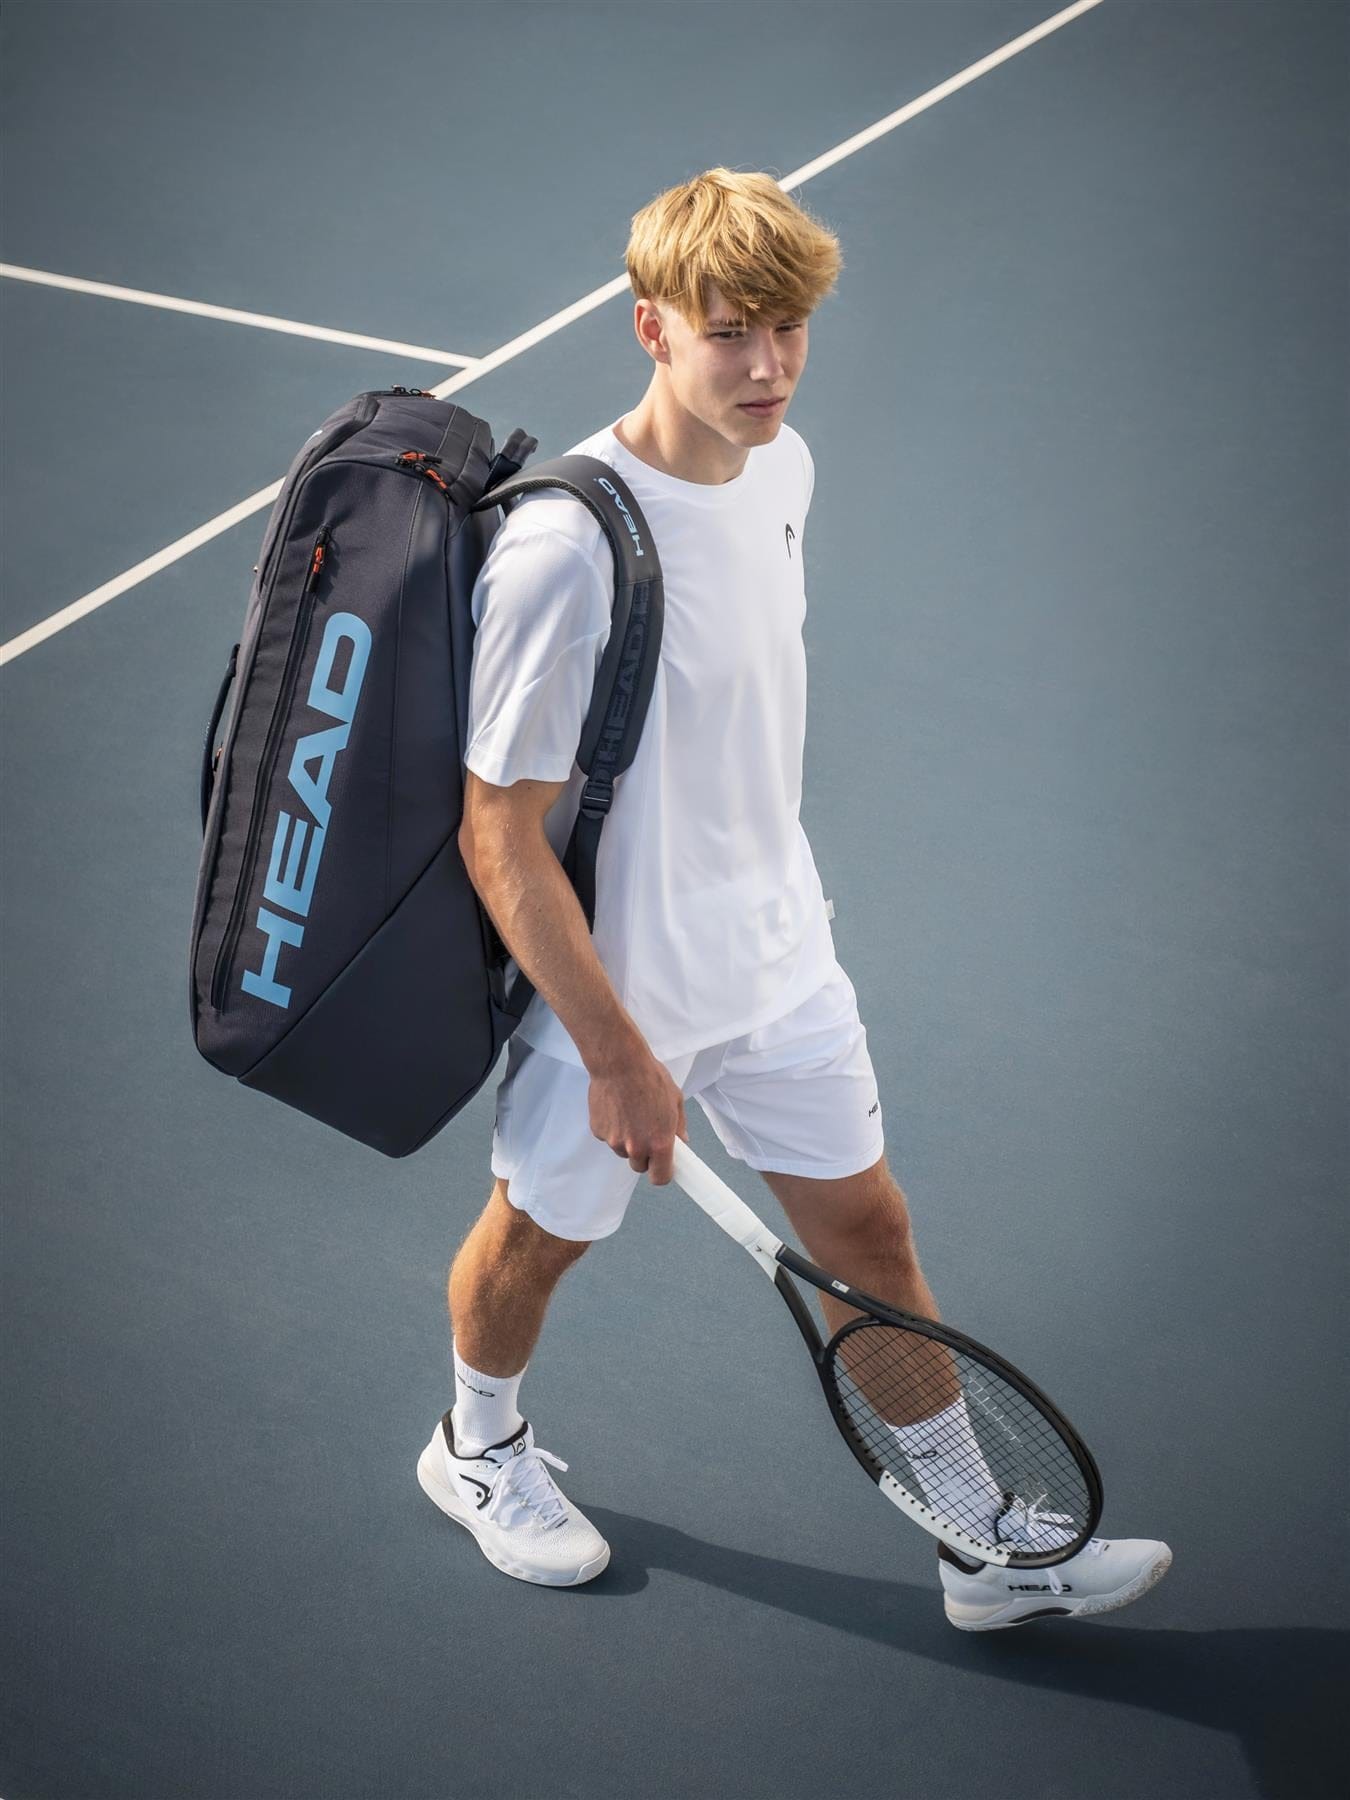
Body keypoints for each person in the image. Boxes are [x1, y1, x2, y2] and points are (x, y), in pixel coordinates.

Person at [416, 168, 1171, 1628]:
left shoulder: (784, 467)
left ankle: (980, 1545)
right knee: (535, 1239)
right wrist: (621, 1052)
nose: (764, 367)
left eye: (787, 329)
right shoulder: (564, 549)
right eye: (727, 334)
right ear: (649, 329)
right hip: (613, 998)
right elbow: (495, 834)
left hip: (776, 965)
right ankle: (475, 1443)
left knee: (870, 1242)